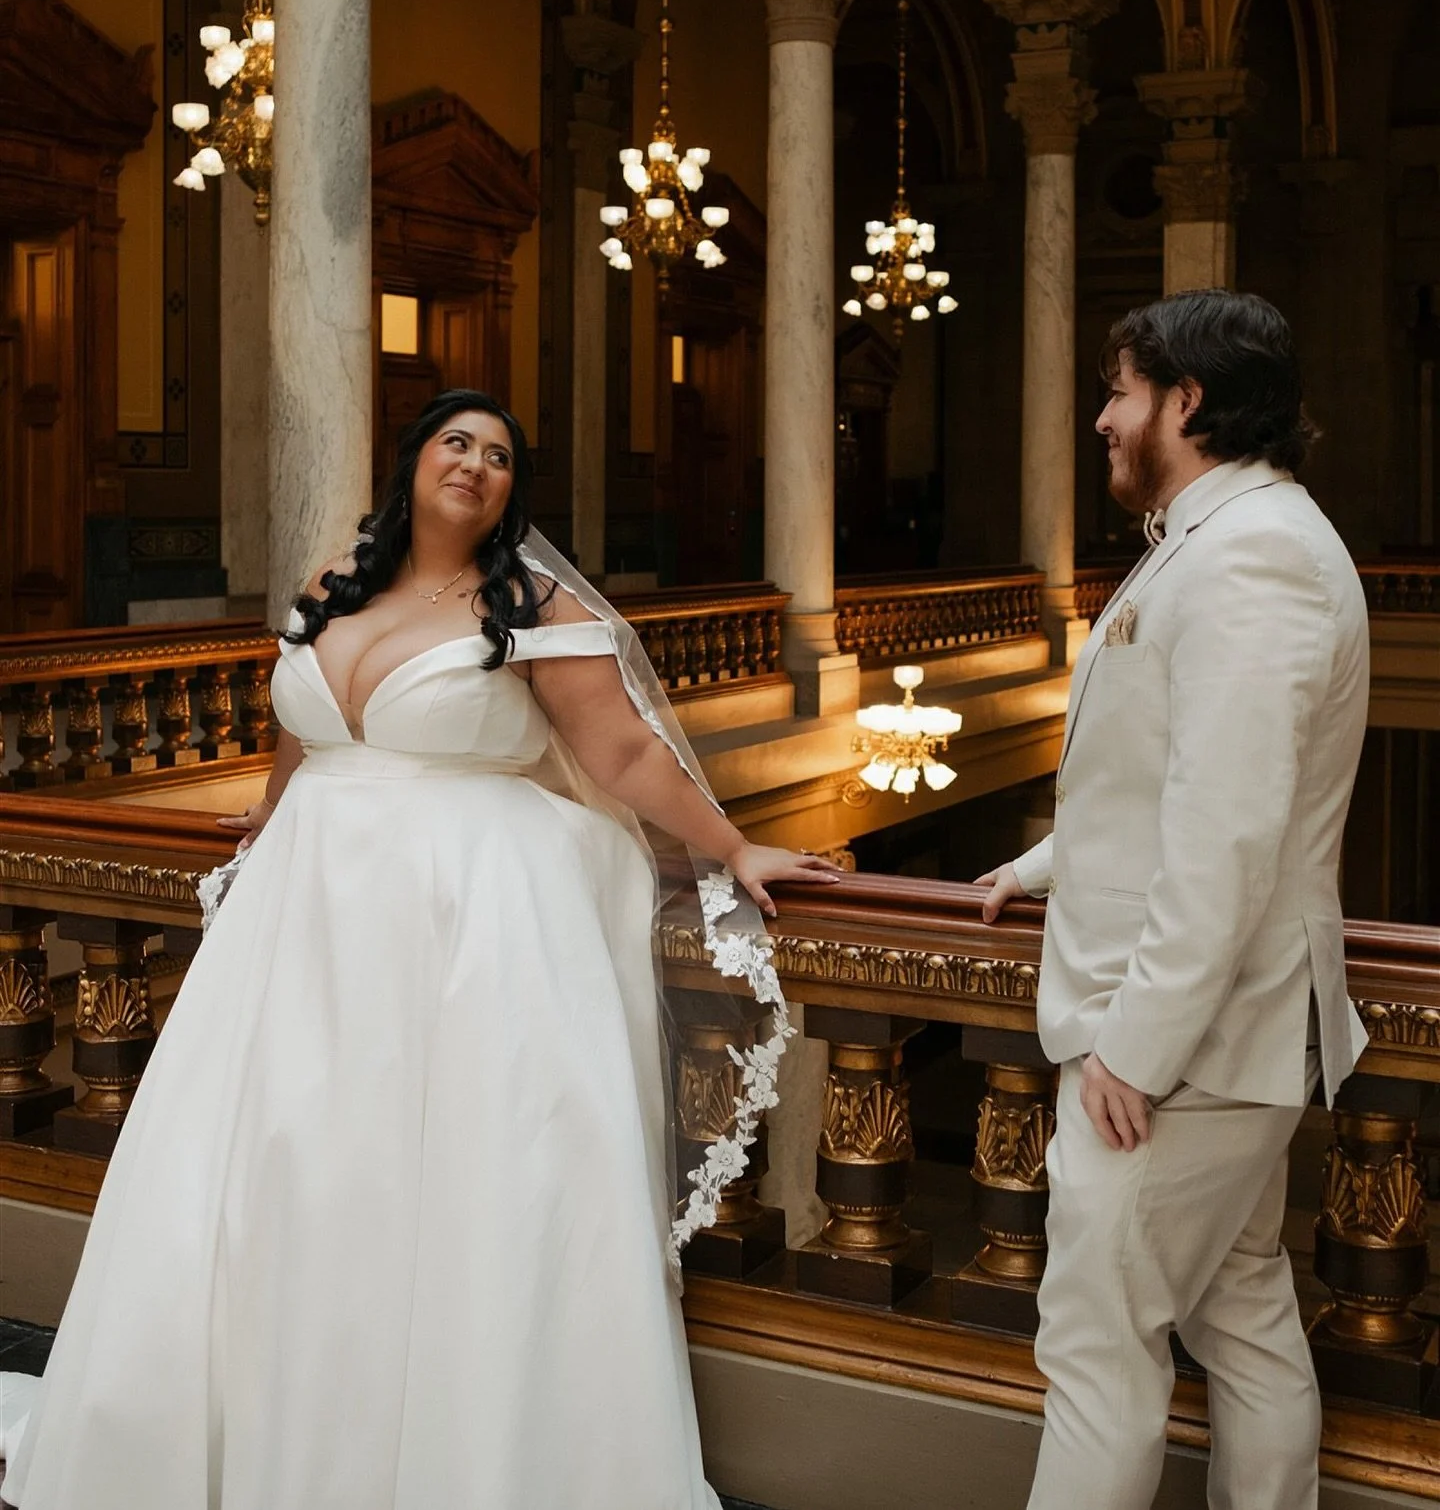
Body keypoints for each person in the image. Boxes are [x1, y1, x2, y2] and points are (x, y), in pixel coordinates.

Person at [2, 388, 834, 1510]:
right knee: (277, 1161)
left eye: (499, 455)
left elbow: (624, 753)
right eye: (457, 441)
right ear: (414, 462)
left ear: (509, 493)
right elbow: (297, 731)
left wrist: (735, 847)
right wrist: (264, 821)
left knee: (422, 1174)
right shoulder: (329, 583)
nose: (477, 463)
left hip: (456, 917)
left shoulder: (527, 603)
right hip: (304, 915)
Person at [979, 291, 1369, 1510]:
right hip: (1222, 1041)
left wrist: (1136, 1052)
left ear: (1185, 402)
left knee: (1095, 1346)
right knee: (1245, 1316)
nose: (1102, 417)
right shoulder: (1219, 536)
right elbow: (1175, 780)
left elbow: (1232, 830)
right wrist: (1040, 867)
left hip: (1183, 1051)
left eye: (1119, 390)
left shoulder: (1256, 551)